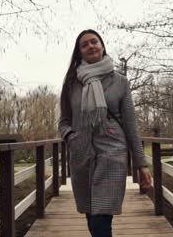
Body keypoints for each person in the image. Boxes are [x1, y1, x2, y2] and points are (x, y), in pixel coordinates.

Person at [59, 29, 152, 237]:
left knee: (102, 216)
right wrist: (70, 137)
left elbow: (131, 124)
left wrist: (141, 164)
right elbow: (64, 120)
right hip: (81, 154)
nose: (91, 46)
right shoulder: (71, 83)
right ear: (79, 52)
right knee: (91, 214)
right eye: (85, 44)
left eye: (94, 42)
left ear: (102, 46)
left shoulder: (120, 81)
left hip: (112, 153)